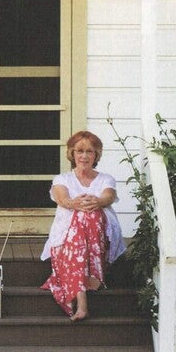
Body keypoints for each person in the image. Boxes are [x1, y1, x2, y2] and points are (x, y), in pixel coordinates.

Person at [40, 130, 126, 321]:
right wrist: (75, 204)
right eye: (80, 151)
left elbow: (108, 196)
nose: (84, 156)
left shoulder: (106, 179)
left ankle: (82, 302)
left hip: (98, 238)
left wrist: (97, 202)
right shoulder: (62, 179)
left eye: (89, 151)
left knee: (90, 214)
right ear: (72, 153)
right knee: (81, 216)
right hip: (66, 241)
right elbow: (62, 199)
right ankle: (84, 296)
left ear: (96, 155)